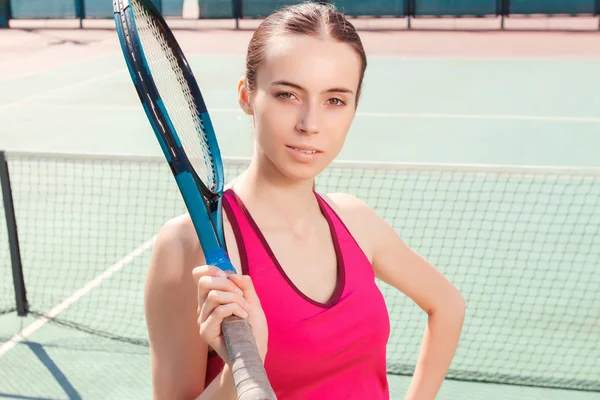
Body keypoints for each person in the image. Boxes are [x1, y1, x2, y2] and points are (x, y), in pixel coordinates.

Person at [144, 2, 465, 399]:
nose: (310, 125)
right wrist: (243, 368)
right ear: (247, 96)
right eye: (287, 95)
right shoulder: (188, 245)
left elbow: (448, 305)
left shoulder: (356, 221)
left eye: (335, 100)